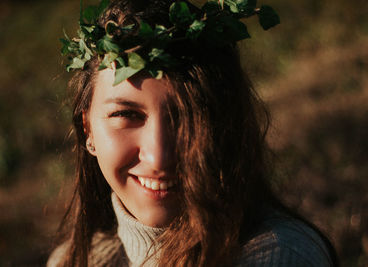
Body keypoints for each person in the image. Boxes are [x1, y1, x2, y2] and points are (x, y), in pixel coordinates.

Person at [48, 0, 338, 266]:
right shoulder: (73, 260)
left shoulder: (279, 257)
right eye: (126, 114)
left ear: (225, 123)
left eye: (186, 115)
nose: (159, 157)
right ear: (87, 128)